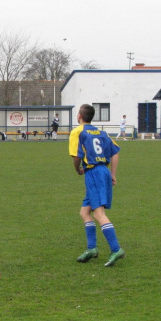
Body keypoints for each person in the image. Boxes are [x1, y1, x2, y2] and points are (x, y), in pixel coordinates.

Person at [69, 104, 125, 267]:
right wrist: (112, 174)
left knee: (98, 213)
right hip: (103, 171)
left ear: (79, 116)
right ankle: (92, 248)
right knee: (85, 212)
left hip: (93, 172)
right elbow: (115, 151)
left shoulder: (77, 131)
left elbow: (76, 155)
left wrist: (77, 169)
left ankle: (116, 249)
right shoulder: (101, 132)